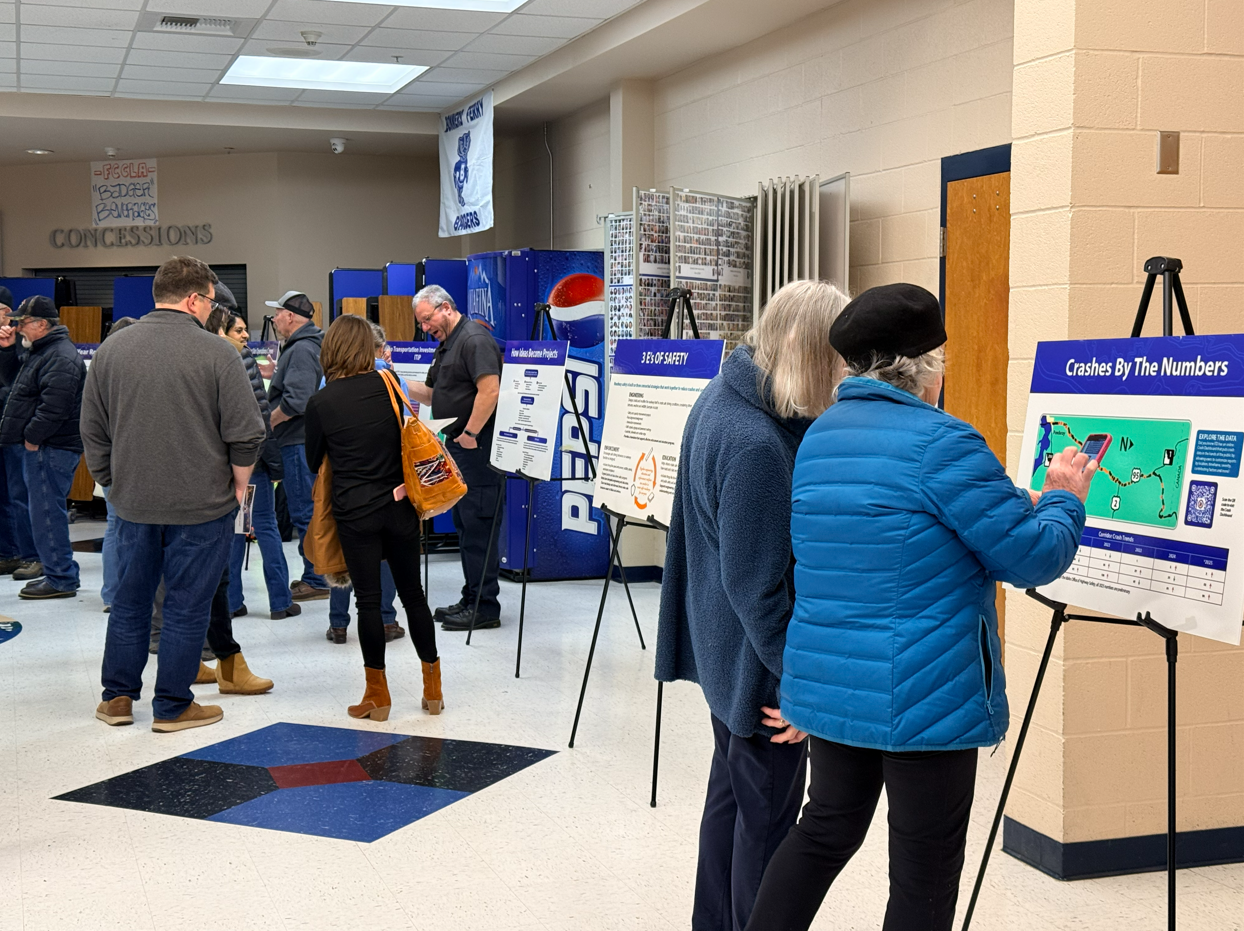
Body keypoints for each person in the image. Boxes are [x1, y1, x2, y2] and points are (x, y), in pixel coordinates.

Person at [745, 283, 1097, 931]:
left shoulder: (821, 439)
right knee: (924, 872)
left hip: (835, 690)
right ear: (928, 367)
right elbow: (1032, 558)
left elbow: (892, 532)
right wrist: (1063, 497)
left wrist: (1006, 501)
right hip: (925, 697)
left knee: (823, 831)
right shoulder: (946, 444)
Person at [656, 280, 849, 931]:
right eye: (837, 358)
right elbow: (759, 591)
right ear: (804, 349)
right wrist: (802, 687)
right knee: (764, 830)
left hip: (725, 661)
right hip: (761, 673)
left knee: (732, 807)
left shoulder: (721, 393)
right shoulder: (759, 447)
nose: (844, 374)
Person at [82, 255, 267, 733]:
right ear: (193, 299)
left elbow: (92, 432)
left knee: (130, 601)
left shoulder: (111, 351)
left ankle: (117, 699)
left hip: (133, 504)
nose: (212, 311)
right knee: (187, 605)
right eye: (209, 301)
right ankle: (172, 705)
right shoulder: (217, 354)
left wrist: (111, 482)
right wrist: (239, 485)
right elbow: (247, 434)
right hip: (202, 506)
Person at [304, 314, 442, 720]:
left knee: (367, 602)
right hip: (400, 506)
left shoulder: (321, 402)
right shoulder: (390, 386)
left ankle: (377, 697)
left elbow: (315, 460)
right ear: (369, 349)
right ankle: (432, 690)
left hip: (354, 512)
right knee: (413, 595)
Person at [408, 285, 503, 631]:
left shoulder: (474, 339)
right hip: (458, 449)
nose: (425, 327)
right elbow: (433, 395)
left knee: (478, 524)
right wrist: (396, 381)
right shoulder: (447, 344)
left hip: (476, 450)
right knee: (465, 524)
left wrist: (471, 433)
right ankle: (471, 596)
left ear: (445, 308)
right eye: (422, 322)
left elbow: (490, 389)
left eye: (427, 319)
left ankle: (484, 606)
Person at [210, 305, 299, 621]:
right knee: (266, 528)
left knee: (236, 530)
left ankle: (233, 603)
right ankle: (280, 602)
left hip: (225, 462)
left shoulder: (207, 359)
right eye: (238, 330)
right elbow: (260, 414)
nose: (246, 335)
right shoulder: (240, 359)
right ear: (220, 330)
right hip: (252, 460)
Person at [0, 294, 87, 599]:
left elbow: (55, 407)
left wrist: (32, 438)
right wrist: (8, 350)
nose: (18, 328)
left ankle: (61, 577)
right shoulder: (41, 352)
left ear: (40, 324)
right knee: (43, 511)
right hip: (46, 446)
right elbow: (15, 383)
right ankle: (57, 573)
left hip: (52, 447)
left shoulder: (59, 356)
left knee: (47, 513)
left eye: (22, 323)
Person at [326, 321, 405, 645]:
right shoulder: (387, 375)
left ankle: (339, 624)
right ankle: (386, 620)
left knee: (341, 549)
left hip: (343, 480)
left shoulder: (330, 378)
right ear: (378, 348)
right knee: (384, 553)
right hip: (386, 480)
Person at [265, 290, 327, 602]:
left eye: (276, 313)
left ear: (290, 316)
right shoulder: (306, 346)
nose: (274, 319)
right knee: (309, 509)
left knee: (305, 511)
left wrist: (269, 423)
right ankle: (318, 574)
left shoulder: (301, 350)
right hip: (305, 441)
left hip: (297, 441)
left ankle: (317, 578)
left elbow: (296, 401)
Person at [99, 316, 139, 611]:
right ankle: (131, 594)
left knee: (114, 527)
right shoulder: (138, 374)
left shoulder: (101, 371)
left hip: (110, 460)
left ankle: (113, 595)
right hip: (133, 462)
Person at [0, 287, 38, 579]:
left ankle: (30, 555)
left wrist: (8, 349)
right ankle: (7, 552)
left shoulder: (24, 344)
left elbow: (18, 388)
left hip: (16, 433)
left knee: (20, 495)